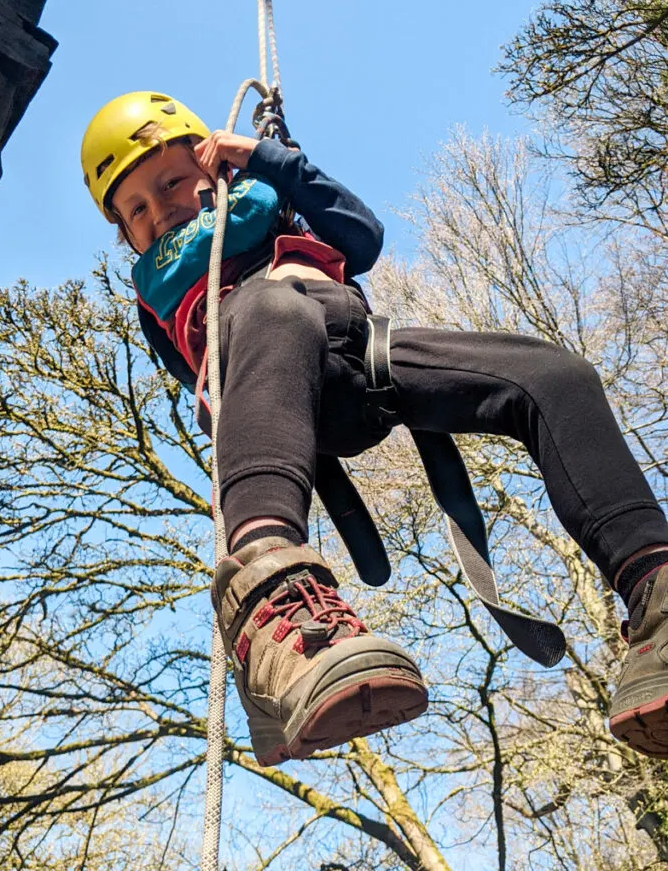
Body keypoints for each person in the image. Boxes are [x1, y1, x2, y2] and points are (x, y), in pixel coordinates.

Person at [82, 91, 668, 766]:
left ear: (214, 163)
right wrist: (253, 403)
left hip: (366, 357)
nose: (161, 211)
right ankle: (274, 610)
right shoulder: (160, 294)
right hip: (271, 365)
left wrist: (271, 159)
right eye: (136, 211)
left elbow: (360, 237)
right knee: (271, 304)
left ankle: (652, 591)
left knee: (550, 375)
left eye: (171, 182)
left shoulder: (273, 196)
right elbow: (198, 376)